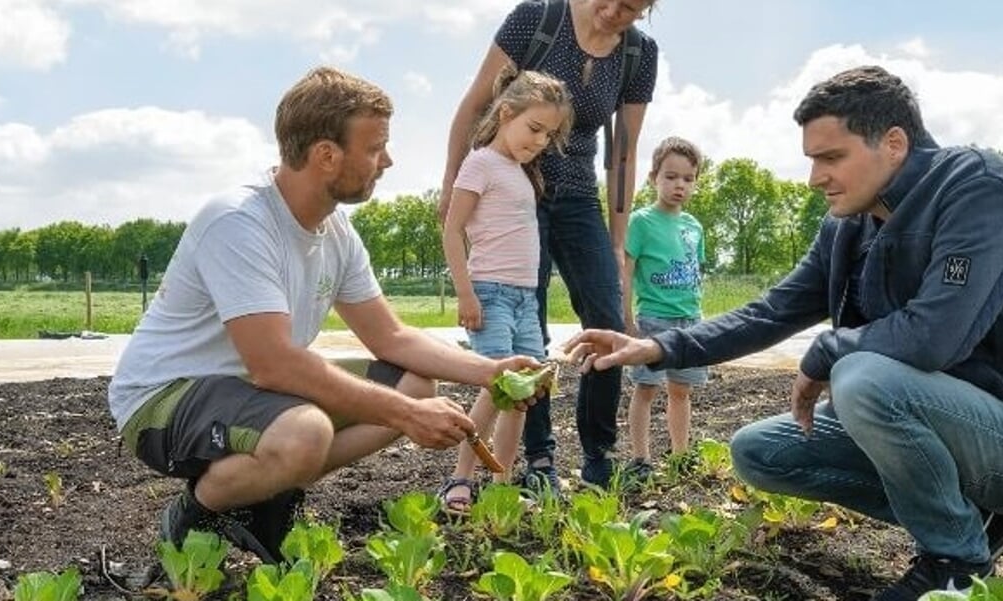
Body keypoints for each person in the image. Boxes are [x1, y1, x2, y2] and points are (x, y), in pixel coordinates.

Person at [563, 65, 1003, 599]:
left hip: (998, 429)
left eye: (831, 157)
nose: (814, 177)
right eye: (811, 160)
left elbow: (935, 336)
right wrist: (660, 344)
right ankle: (971, 519)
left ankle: (955, 562)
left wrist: (827, 350)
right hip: (946, 430)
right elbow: (771, 311)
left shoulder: (977, 189)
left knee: (861, 377)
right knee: (760, 451)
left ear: (893, 143)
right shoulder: (848, 223)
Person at [108, 66, 541, 564]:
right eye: (376, 147)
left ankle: (264, 491)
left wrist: (491, 372)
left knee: (416, 382)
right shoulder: (239, 222)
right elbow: (275, 364)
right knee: (307, 432)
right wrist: (406, 416)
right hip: (165, 398)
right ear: (326, 155)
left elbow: (391, 337)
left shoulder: (334, 231)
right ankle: (199, 510)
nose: (388, 160)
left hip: (251, 394)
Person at [439, 0, 660, 491]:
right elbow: (477, 104)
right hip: (519, 192)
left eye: (634, 9)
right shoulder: (537, 19)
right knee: (528, 334)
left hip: (580, 198)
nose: (615, 14)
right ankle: (539, 460)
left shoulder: (639, 54)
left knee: (606, 316)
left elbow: (623, 151)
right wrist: (452, 183)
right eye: (612, 1)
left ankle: (598, 454)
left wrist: (618, 236)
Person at [438, 67, 574, 513]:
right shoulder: (480, 162)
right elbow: (452, 229)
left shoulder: (521, 171)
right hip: (490, 293)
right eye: (533, 128)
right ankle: (460, 478)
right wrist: (465, 294)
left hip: (524, 299)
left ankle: (501, 482)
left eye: (547, 135)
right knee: (498, 388)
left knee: (524, 395)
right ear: (506, 113)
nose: (538, 141)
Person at [622, 136, 707, 480]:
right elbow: (625, 273)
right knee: (646, 388)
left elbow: (695, 272)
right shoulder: (641, 222)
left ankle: (680, 454)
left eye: (687, 179)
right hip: (654, 320)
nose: (679, 185)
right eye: (671, 177)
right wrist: (626, 319)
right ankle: (640, 459)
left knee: (681, 390)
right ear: (653, 177)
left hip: (690, 320)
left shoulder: (694, 227)